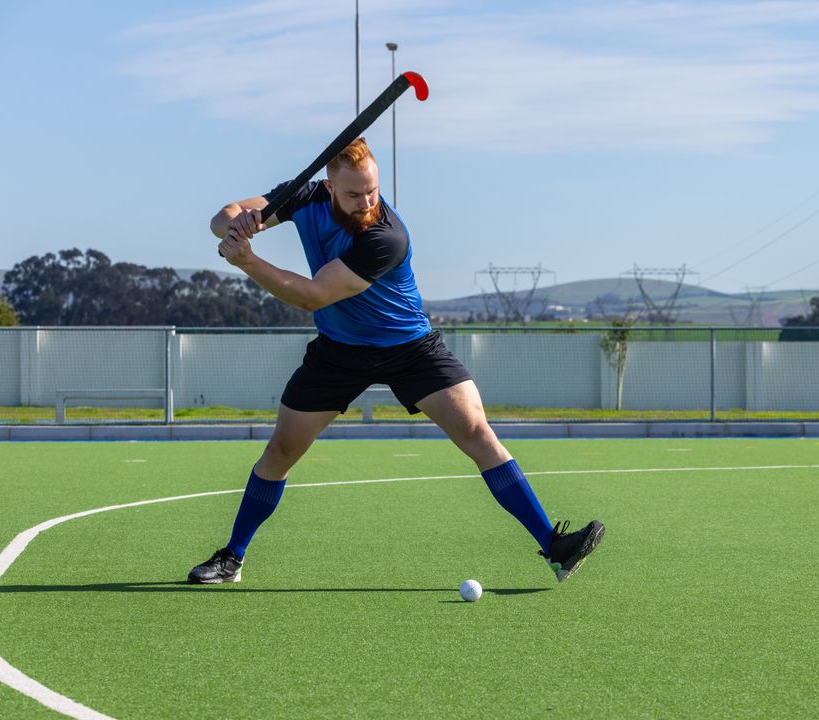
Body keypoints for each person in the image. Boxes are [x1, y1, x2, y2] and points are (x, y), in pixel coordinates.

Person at [188, 137, 604, 585]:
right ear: (329, 186)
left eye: (372, 189)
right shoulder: (304, 195)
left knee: (477, 432)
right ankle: (232, 556)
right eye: (354, 194)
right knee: (281, 451)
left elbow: (312, 295)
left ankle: (554, 547)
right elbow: (221, 217)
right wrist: (241, 223)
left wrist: (248, 260)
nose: (367, 201)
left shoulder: (385, 235)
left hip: (409, 348)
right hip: (339, 351)